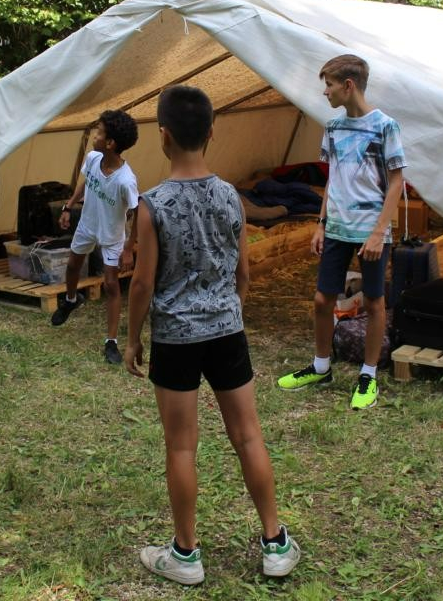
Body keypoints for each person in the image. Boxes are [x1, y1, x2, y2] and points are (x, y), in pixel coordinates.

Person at [125, 85, 300, 585]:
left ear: (163, 135)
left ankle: (185, 556)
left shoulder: (152, 205)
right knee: (248, 436)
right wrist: (229, 309)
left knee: (181, 447)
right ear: (212, 133)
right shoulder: (231, 197)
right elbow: (243, 274)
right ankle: (275, 544)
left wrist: (133, 338)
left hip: (175, 338)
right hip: (227, 332)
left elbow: (142, 283)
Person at [277, 54, 406, 410]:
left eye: (329, 85)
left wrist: (379, 232)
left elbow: (397, 181)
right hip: (336, 227)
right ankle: (321, 367)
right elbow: (333, 178)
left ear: (348, 85)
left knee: (375, 301)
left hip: (370, 231)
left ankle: (368, 375)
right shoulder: (333, 127)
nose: (325, 92)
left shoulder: (385, 126)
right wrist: (320, 223)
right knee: (323, 300)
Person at [49, 110, 139, 364]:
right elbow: (85, 182)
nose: (94, 137)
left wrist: (128, 248)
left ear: (110, 143)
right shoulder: (93, 158)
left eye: (99, 133)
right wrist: (69, 207)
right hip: (87, 225)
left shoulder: (126, 180)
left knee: (111, 284)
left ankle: (111, 342)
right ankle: (71, 300)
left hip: (111, 236)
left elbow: (139, 212)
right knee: (72, 266)